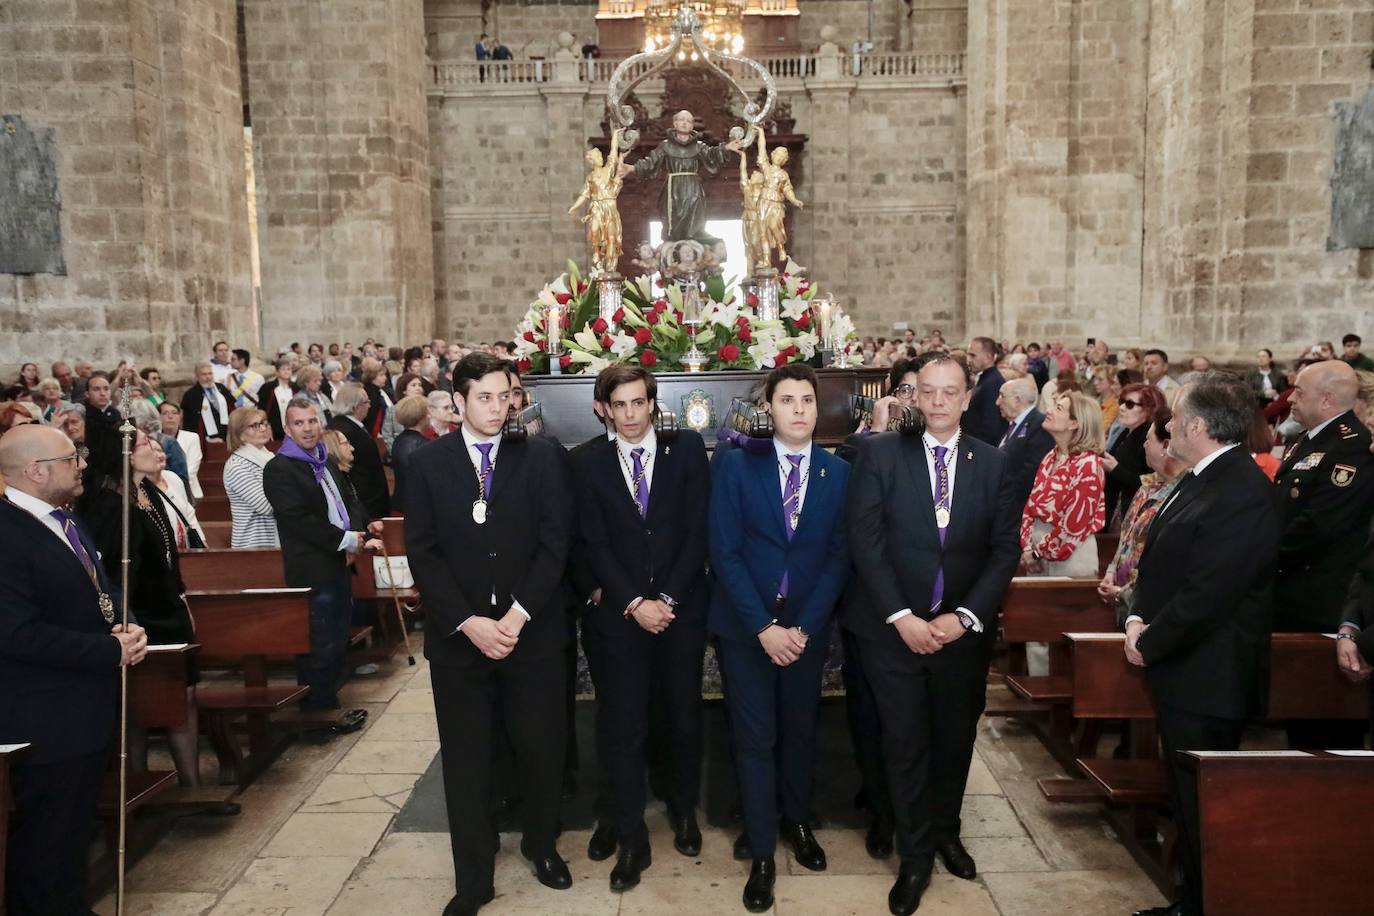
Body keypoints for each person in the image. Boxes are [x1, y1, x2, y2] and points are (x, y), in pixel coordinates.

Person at [843, 353, 1021, 916]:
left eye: (950, 392)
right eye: (929, 392)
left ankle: (947, 829)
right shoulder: (880, 455)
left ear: (968, 398)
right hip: (893, 631)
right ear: (913, 396)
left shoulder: (995, 463)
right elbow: (865, 542)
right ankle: (915, 855)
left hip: (960, 634)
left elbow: (1003, 550)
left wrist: (964, 617)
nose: (939, 401)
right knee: (904, 742)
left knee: (953, 737)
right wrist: (903, 616)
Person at [405, 353, 575, 914]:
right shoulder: (429, 464)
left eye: (507, 397)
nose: (499, 408)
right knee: (467, 760)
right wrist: (469, 621)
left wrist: (519, 613)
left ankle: (541, 845)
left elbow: (556, 542)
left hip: (532, 633)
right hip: (462, 641)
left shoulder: (542, 457)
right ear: (457, 402)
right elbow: (424, 553)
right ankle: (473, 876)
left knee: (540, 748)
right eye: (486, 397)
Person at [1125, 373, 1279, 916]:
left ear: (1196, 426)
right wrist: (1138, 613)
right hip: (1182, 666)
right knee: (1185, 798)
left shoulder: (1242, 491)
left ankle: (1205, 905)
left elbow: (1210, 592)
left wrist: (1151, 641)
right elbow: (1161, 558)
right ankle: (1192, 900)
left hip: (1209, 675)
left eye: (1173, 418)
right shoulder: (1199, 476)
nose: (1165, 427)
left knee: (1201, 803)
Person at [708, 364, 850, 913]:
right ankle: (763, 850)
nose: (797, 409)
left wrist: (803, 628)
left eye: (806, 400)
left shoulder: (837, 475)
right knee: (755, 736)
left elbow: (839, 556)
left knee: (799, 730)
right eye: (786, 399)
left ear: (818, 409)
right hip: (748, 631)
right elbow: (725, 552)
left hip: (806, 631)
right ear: (768, 407)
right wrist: (764, 627)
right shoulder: (739, 467)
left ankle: (797, 822)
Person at [0, 424, 148, 916]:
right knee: (47, 842)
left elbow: (99, 589)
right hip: (44, 715)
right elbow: (16, 634)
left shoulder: (66, 520)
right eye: (71, 457)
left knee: (72, 838)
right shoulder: (6, 534)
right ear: (35, 471)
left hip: (85, 708)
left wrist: (126, 625)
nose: (82, 464)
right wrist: (108, 651)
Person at [574, 365, 711, 892]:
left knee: (681, 717)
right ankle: (630, 834)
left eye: (639, 403)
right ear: (604, 409)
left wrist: (667, 599)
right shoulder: (586, 462)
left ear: (653, 403)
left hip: (679, 613)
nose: (631, 415)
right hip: (619, 619)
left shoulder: (688, 449)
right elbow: (593, 541)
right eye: (620, 405)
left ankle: (682, 809)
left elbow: (698, 529)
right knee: (622, 725)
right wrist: (634, 603)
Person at [86, 431, 209, 789]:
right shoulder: (110, 505)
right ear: (122, 454)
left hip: (167, 611)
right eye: (142, 444)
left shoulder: (149, 492)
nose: (154, 448)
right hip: (141, 618)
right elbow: (112, 574)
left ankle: (192, 785)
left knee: (181, 700)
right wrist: (126, 622)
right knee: (140, 708)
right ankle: (138, 789)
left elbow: (167, 554)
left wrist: (180, 595)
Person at [1271, 359, 1374, 750]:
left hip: (1322, 599)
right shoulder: (1308, 439)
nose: (1291, 398)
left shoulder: (1351, 447)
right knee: (1300, 716)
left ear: (1327, 398)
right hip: (1292, 592)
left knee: (1328, 723)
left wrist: (1263, 555)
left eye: (1299, 391)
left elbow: (1320, 525)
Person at [263, 398, 374, 728]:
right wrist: (345, 540)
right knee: (319, 640)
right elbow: (300, 520)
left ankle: (329, 698)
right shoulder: (280, 468)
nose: (308, 428)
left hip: (337, 561)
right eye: (299, 423)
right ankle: (316, 709)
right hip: (311, 567)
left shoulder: (322, 461)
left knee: (337, 635)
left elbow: (342, 501)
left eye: (312, 421)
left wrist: (354, 533)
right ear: (287, 428)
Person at [1098, 408, 1186, 623]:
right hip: (1121, 602)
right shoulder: (1147, 486)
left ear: (1166, 446)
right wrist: (1111, 571)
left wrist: (1123, 592)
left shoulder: (1183, 492)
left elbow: (1164, 559)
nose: (1144, 445)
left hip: (1148, 607)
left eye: (1149, 440)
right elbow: (1126, 539)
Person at [1102, 383, 1167, 525]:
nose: (1122, 407)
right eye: (1121, 402)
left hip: (1133, 514)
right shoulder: (1126, 431)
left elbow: (1153, 484)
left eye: (1130, 404)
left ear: (1148, 409)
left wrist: (1115, 469)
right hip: (1115, 509)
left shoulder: (1149, 438)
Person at [327, 383, 390, 519]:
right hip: (366, 505)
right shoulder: (344, 431)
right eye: (367, 402)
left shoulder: (344, 426)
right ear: (356, 407)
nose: (369, 406)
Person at [996, 375, 1054, 514]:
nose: (997, 402)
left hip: (1017, 508)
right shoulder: (1014, 423)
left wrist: (1004, 497)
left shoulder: (1039, 425)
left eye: (1002, 396)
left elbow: (1030, 472)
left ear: (1017, 400)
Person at [224, 408, 279, 549]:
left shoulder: (270, 457)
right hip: (253, 544)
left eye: (264, 423)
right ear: (240, 434)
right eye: (254, 425)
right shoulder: (237, 466)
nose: (262, 428)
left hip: (275, 539)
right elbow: (266, 506)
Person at [390, 394, 430, 513]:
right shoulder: (424, 445)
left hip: (401, 502)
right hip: (417, 507)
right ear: (421, 417)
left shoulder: (399, 440)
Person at [962, 336, 1005, 445]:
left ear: (988, 357)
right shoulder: (985, 379)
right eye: (967, 354)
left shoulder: (993, 383)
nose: (968, 359)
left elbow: (991, 427)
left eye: (973, 355)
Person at [179, 361, 235, 442]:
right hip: (205, 437)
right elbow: (190, 421)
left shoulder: (221, 388)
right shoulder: (191, 395)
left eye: (210, 373)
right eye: (204, 374)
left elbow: (232, 409)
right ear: (197, 377)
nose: (208, 377)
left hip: (226, 433)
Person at [159, 402, 204, 500]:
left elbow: (191, 470)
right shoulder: (154, 438)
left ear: (180, 418)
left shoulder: (192, 437)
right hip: (160, 490)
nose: (170, 416)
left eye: (174, 413)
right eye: (165, 413)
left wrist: (173, 489)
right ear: (159, 417)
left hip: (188, 490)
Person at [258, 356, 298, 441]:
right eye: (283, 369)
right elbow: (262, 409)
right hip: (275, 429)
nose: (286, 371)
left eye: (289, 369)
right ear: (277, 372)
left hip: (294, 429)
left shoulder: (296, 388)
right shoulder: (267, 388)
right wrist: (266, 426)